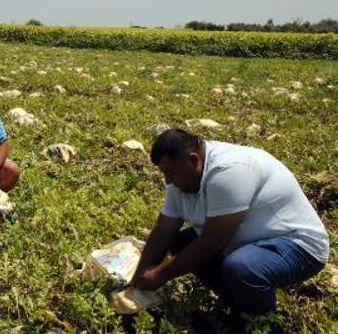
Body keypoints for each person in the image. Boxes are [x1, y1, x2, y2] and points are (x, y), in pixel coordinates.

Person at [132, 129, 329, 316]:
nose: (167, 181)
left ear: (193, 161)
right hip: (248, 240)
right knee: (179, 242)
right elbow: (164, 229)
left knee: (242, 267)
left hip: (297, 246)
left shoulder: (229, 170)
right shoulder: (182, 176)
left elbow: (212, 241)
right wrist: (139, 275)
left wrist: (159, 275)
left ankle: (261, 329)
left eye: (170, 172)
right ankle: (237, 302)